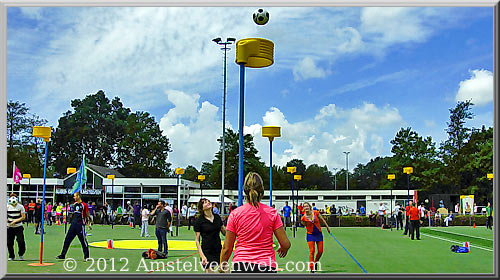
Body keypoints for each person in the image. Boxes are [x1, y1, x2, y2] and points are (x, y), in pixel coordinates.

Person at [220, 172, 290, 273]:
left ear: (245, 190)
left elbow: (227, 248)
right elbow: (285, 243)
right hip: (266, 266)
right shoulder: (272, 213)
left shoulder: (235, 214)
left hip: (241, 265)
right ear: (262, 190)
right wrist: (283, 249)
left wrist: (222, 265)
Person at [194, 198, 226, 273]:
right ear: (202, 207)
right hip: (207, 251)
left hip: (218, 250)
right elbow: (197, 240)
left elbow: (224, 232)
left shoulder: (217, 218)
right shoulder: (199, 221)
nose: (208, 203)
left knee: (225, 271)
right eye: (205, 202)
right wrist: (202, 256)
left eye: (208, 201)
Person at [56, 192, 90, 260]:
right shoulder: (74, 205)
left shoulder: (84, 205)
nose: (74, 198)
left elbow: (87, 214)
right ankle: (63, 255)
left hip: (80, 225)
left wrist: (89, 222)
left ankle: (86, 256)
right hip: (73, 224)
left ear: (78, 196)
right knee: (67, 240)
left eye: (75, 196)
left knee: (83, 241)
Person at [301, 202, 331, 273]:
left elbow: (322, 220)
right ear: (303, 208)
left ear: (310, 207)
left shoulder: (315, 213)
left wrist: (327, 227)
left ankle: (315, 262)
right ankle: (312, 268)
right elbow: (304, 224)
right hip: (310, 235)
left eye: (307, 206)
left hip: (319, 234)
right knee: (312, 251)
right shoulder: (303, 218)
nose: (306, 208)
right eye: (304, 207)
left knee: (320, 251)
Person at [7, 193, 26, 261]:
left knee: (21, 241)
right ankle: (11, 256)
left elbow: (23, 217)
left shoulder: (20, 207)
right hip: (9, 227)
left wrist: (15, 221)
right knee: (9, 242)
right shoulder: (7, 206)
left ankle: (21, 254)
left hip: (18, 227)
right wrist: (8, 221)